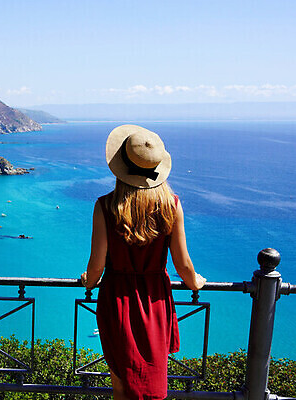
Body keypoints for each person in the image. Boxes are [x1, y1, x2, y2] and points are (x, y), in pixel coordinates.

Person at [80, 124, 206, 400]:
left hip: (117, 299)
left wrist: (88, 281)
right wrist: (195, 281)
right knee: (152, 377)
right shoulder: (171, 205)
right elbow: (183, 264)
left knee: (121, 383)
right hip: (155, 300)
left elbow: (96, 265)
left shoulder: (105, 206)